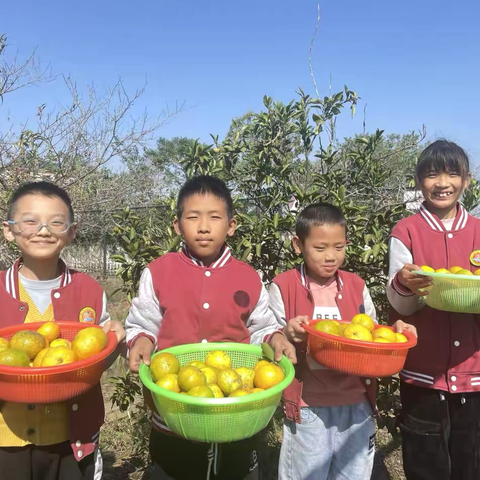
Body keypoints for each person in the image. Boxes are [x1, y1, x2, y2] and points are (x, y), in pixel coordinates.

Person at [125, 175, 292, 480]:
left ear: (231, 225)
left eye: (214, 217)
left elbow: (261, 326)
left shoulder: (248, 277)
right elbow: (143, 322)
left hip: (235, 414)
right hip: (173, 414)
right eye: (193, 217)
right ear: (177, 225)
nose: (204, 226)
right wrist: (141, 341)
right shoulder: (159, 272)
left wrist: (275, 337)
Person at [269, 202, 416, 480]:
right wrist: (286, 334)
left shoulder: (356, 286)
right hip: (308, 407)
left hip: (356, 405)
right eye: (320, 248)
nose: (331, 256)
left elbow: (372, 333)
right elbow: (270, 338)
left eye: (339, 247)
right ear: (298, 245)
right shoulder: (283, 286)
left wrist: (395, 332)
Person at [0, 181, 125, 480]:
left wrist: (114, 344)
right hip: (6, 441)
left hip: (71, 441)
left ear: (71, 231)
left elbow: (93, 362)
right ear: (9, 230)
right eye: (30, 221)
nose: (43, 230)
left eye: (56, 223)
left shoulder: (90, 291)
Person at [387, 139, 480, 480]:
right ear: (418, 181)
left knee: (470, 463)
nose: (442, 183)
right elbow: (399, 304)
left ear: (467, 180)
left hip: (474, 374)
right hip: (422, 375)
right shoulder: (407, 231)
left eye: (452, 174)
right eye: (431, 174)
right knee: (425, 464)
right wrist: (404, 285)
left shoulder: (478, 231)